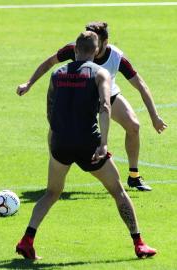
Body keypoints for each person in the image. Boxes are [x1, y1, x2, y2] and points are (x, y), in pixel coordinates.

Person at [15, 31, 157, 260]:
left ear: (76, 50)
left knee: (51, 193)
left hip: (60, 142)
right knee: (119, 192)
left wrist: (55, 136)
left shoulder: (57, 73)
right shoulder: (100, 73)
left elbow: (50, 108)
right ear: (95, 50)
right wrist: (103, 143)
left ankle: (27, 240)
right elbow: (105, 107)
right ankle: (139, 243)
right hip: (88, 145)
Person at [17, 22, 167, 191]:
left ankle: (134, 176)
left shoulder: (116, 57)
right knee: (55, 130)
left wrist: (154, 117)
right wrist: (28, 83)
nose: (92, 45)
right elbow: (49, 63)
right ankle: (56, 173)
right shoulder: (79, 49)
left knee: (133, 126)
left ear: (105, 42)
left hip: (107, 94)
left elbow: (141, 85)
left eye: (96, 41)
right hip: (80, 94)